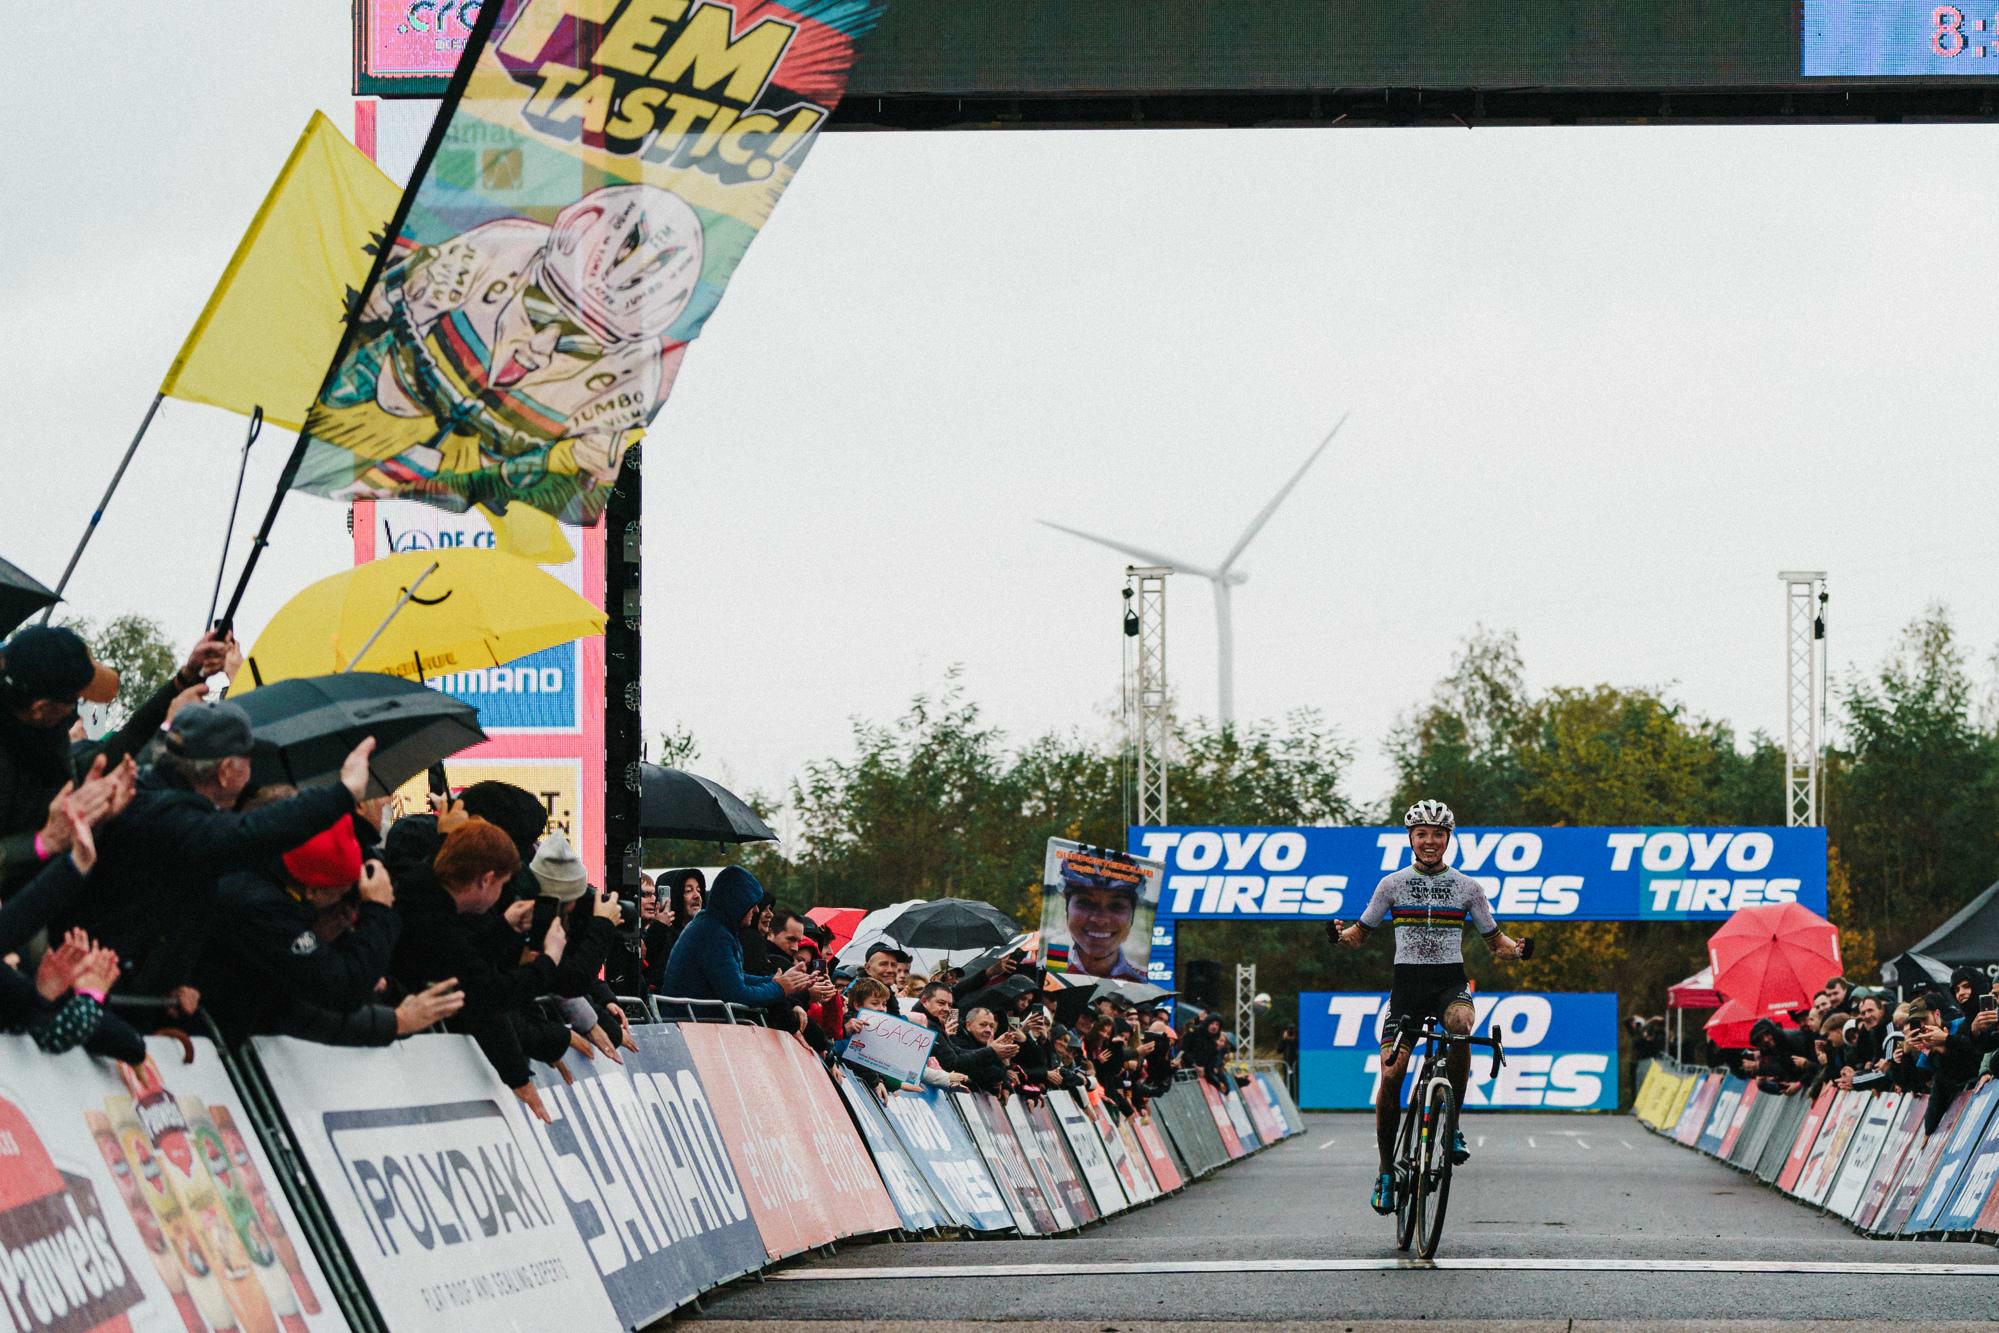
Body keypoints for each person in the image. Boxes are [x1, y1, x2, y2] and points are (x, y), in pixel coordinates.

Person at [57, 703, 375, 1005]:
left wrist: (171, 979)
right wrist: (342, 793)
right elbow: (249, 834)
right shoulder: (169, 817)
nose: (253, 773)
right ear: (224, 772)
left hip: (117, 983)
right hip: (89, 990)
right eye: (248, 762)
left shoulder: (156, 797)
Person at [1331, 799, 1525, 1216]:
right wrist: (1338, 936)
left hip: (1448, 982)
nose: (1431, 841)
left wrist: (1519, 950)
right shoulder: (1392, 885)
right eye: (1423, 834)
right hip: (1407, 988)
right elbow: (1359, 934)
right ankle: (1386, 1172)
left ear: (1448, 838)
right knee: (1392, 1071)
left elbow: (1496, 944)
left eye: (1438, 834)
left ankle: (1451, 1127)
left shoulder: (1468, 888)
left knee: (1461, 1024)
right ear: (1411, 839)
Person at [0, 624, 229, 897]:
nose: (78, 710)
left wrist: (183, 679)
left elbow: (111, 757)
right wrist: (42, 842)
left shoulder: (42, 733)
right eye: (75, 700)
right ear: (40, 709)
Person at [198, 815, 462, 1045]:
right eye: (339, 896)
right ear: (312, 890)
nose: (347, 915)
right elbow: (339, 989)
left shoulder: (261, 875)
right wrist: (379, 911)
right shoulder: (263, 911)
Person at [658, 865, 816, 1012]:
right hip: (691, 1024)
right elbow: (737, 994)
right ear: (736, 903)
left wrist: (775, 980)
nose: (755, 910)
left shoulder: (715, 927)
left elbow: (736, 978)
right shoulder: (714, 934)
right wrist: (780, 988)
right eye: (751, 904)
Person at [1052, 852, 1149, 982]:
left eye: (1116, 906)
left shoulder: (1138, 980)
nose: (1100, 919)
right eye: (1085, 903)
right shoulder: (1049, 963)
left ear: (1132, 915)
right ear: (1066, 907)